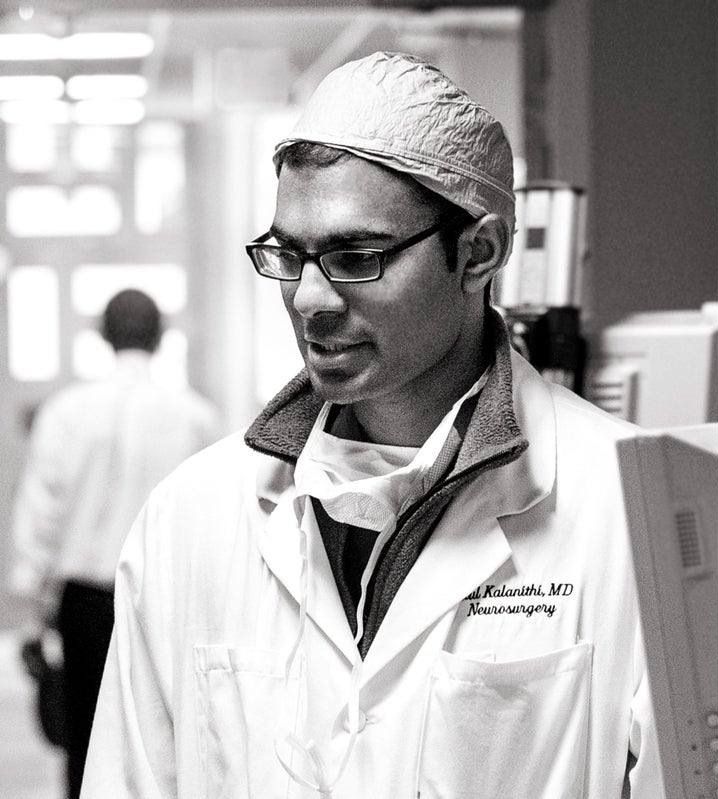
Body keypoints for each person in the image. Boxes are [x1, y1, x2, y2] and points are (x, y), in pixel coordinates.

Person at [81, 53, 662, 798]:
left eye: (356, 255)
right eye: (289, 255)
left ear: (478, 252)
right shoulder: (189, 517)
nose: (309, 298)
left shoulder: (628, 509)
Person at [11, 288, 219, 799]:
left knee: (85, 740)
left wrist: (33, 616)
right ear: (161, 337)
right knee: (167, 739)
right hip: (167, 601)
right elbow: (210, 523)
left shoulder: (65, 412)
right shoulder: (195, 417)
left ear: (101, 335)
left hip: (83, 603)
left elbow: (41, 517)